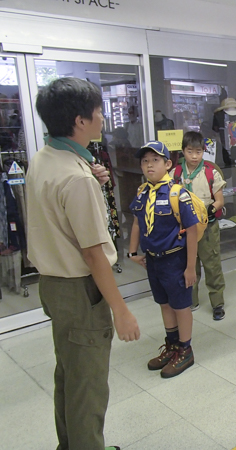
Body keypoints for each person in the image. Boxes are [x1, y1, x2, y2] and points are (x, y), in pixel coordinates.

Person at [26, 77, 140, 450]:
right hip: (79, 292)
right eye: (97, 112)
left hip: (53, 286)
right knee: (88, 387)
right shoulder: (76, 179)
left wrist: (90, 177)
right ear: (79, 121)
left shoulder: (45, 159)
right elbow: (93, 254)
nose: (102, 119)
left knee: (69, 376)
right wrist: (120, 310)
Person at [129, 140, 199, 378]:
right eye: (145, 161)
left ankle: (185, 349)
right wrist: (132, 252)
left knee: (181, 306)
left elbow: (192, 230)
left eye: (155, 160)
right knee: (164, 304)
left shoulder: (178, 194)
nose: (149, 165)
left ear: (168, 164)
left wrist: (191, 267)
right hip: (153, 261)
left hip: (175, 260)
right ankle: (172, 345)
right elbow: (138, 222)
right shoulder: (142, 193)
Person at [173, 131, 227, 320]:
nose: (194, 156)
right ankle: (191, 300)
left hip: (207, 227)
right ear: (183, 151)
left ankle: (217, 302)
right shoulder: (176, 173)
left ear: (204, 151)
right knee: (189, 264)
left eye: (198, 152)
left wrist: (208, 211)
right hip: (185, 228)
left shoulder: (210, 172)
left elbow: (219, 200)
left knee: (211, 264)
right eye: (190, 152)